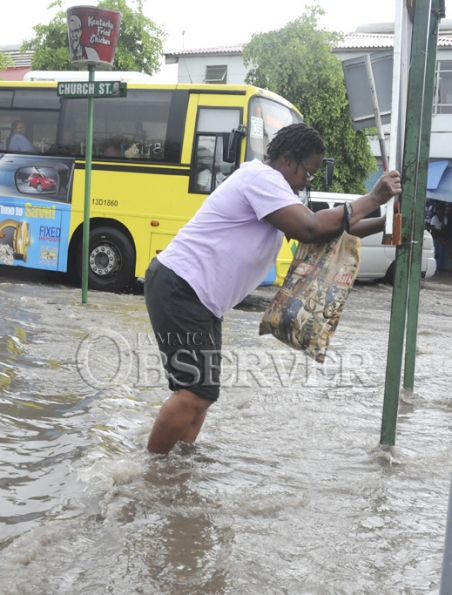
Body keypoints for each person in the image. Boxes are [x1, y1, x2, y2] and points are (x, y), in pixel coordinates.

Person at [144, 122, 402, 455]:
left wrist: (385, 223)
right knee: (195, 391)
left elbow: (328, 231)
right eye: (306, 173)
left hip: (198, 297)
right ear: (285, 158)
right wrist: (372, 198)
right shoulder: (261, 179)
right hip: (181, 286)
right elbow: (310, 227)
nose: (307, 181)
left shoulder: (272, 189)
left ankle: (178, 464)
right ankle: (152, 470)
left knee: (203, 394)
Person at [430, 202, 448, 272]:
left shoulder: (445, 218)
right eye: (439, 211)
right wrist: (440, 231)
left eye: (442, 212)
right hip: (436, 236)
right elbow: (432, 228)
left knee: (441, 254)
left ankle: (439, 268)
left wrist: (442, 219)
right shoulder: (434, 218)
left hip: (441, 236)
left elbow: (444, 228)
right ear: (437, 212)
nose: (440, 213)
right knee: (435, 252)